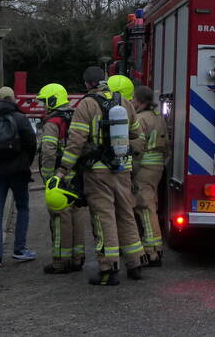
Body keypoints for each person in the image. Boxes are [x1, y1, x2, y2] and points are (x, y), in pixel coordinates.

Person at [58, 67, 146, 286]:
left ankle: (109, 270)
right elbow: (138, 137)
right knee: (126, 213)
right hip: (123, 169)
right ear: (104, 81)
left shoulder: (86, 104)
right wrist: (124, 150)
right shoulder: (124, 103)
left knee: (103, 217)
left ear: (87, 84)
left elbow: (76, 142)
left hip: (97, 172)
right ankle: (135, 264)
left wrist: (63, 170)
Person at [0, 87, 37, 267]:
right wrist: (26, 162)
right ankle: (19, 249)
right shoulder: (20, 118)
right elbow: (32, 143)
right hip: (18, 171)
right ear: (13, 99)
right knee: (23, 207)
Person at [37, 83, 89, 274]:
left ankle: (60, 261)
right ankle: (77, 259)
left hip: (60, 177)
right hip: (77, 176)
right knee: (78, 218)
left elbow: (49, 152)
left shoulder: (52, 123)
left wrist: (49, 178)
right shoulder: (76, 116)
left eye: (45, 102)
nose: (44, 106)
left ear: (52, 100)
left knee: (60, 220)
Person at [131, 85, 167, 267]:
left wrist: (131, 170)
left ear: (141, 101)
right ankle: (155, 248)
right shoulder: (158, 117)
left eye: (133, 99)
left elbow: (137, 148)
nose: (132, 102)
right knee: (151, 204)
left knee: (145, 207)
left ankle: (152, 251)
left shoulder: (140, 119)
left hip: (144, 168)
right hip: (157, 167)